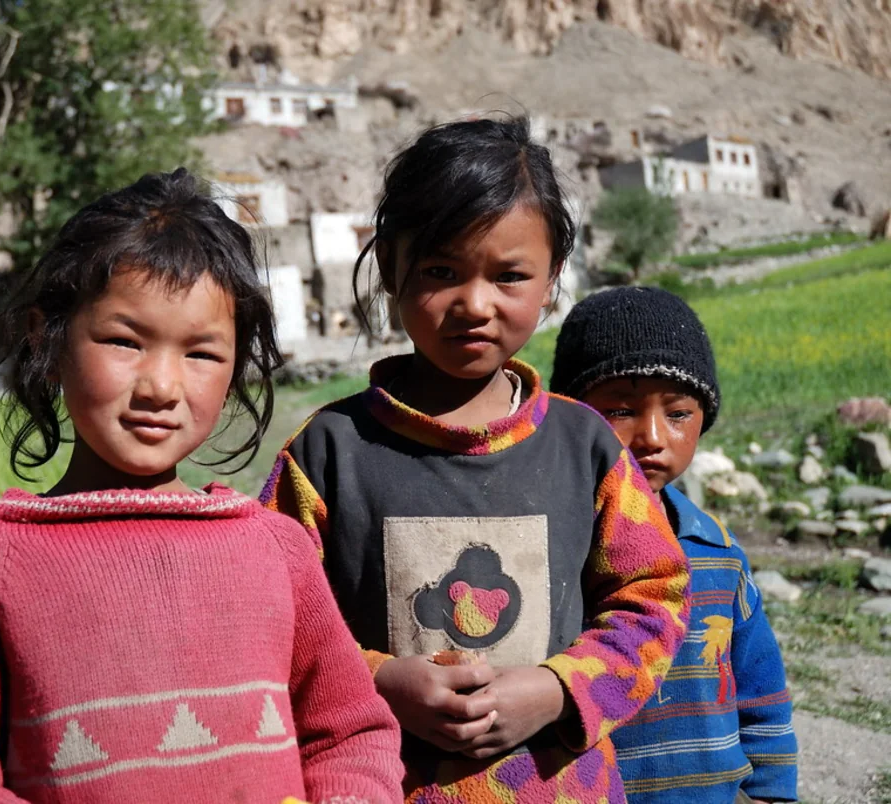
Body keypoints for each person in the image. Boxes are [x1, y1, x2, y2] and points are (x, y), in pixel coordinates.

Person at [0, 169, 403, 804]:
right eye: (125, 341)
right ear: (49, 335)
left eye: (202, 353)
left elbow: (351, 735)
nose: (161, 386)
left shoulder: (276, 549)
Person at [261, 117, 690, 802]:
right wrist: (377, 679)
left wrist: (556, 689)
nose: (474, 304)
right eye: (440, 271)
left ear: (552, 280)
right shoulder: (328, 452)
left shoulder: (585, 447)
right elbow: (264, 619)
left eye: (510, 275)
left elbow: (655, 598)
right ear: (390, 270)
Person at [551, 287, 798, 804]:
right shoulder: (557, 553)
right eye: (619, 410)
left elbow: (761, 689)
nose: (652, 436)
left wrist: (772, 790)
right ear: (572, 420)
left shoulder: (717, 552)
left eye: (679, 414)